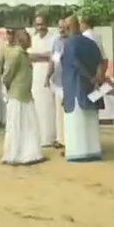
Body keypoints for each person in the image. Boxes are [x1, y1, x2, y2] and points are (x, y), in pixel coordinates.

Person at [61, 15, 107, 162]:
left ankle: (78, 152)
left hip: (75, 87)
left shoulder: (69, 44)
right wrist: (97, 78)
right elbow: (101, 61)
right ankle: (93, 151)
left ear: (68, 28)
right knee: (91, 121)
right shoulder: (91, 43)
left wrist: (89, 76)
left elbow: (75, 64)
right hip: (91, 88)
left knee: (77, 121)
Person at [0, 30, 44, 165]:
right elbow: (7, 74)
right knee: (16, 126)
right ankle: (13, 155)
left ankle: (29, 154)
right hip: (17, 95)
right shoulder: (16, 53)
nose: (28, 40)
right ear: (19, 40)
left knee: (29, 126)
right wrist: (7, 87)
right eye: (26, 38)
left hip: (25, 95)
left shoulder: (23, 54)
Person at [29, 15, 58, 146]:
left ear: (47, 24)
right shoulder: (33, 39)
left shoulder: (53, 38)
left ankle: (51, 137)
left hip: (49, 74)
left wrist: (40, 56)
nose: (40, 27)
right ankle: (41, 137)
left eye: (42, 24)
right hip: (36, 74)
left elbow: (54, 56)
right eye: (38, 24)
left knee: (49, 106)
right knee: (38, 106)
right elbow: (29, 56)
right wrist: (44, 55)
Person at [46, 19, 68, 147]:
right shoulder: (56, 41)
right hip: (57, 80)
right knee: (59, 112)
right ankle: (60, 139)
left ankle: (68, 139)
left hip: (68, 81)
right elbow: (52, 60)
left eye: (64, 27)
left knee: (67, 112)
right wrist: (47, 76)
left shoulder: (72, 41)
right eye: (59, 27)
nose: (61, 30)